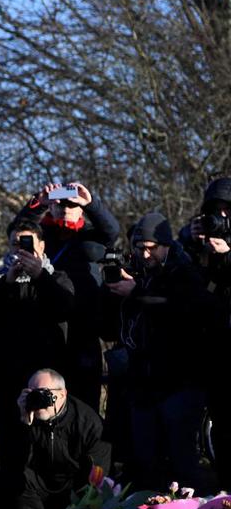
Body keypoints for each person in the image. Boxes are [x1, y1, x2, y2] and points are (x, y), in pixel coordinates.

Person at [100, 213, 214, 491]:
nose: (146, 253)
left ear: (166, 245)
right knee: (146, 461)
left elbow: (184, 309)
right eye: (140, 248)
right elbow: (109, 328)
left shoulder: (182, 271)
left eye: (152, 247)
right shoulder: (136, 273)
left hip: (180, 383)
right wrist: (113, 291)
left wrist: (136, 292)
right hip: (142, 385)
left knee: (182, 460)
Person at [0, 219, 76, 509]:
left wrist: (39, 276)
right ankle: (11, 507)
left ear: (42, 246)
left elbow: (66, 306)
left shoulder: (58, 277)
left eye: (28, 243)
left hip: (44, 381)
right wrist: (8, 280)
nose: (22, 250)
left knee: (47, 443)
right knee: (10, 444)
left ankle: (51, 506)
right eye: (16, 244)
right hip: (7, 380)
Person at [13, 181, 120, 414]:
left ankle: (83, 449)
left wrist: (91, 203)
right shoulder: (43, 237)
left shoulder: (90, 238)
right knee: (47, 400)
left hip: (84, 328)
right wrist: (38, 204)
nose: (66, 208)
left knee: (85, 402)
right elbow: (19, 230)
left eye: (72, 204)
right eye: (60, 203)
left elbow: (112, 231)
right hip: (48, 328)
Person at [181, 177, 231, 487]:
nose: (221, 218)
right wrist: (190, 245)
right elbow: (191, 294)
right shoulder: (201, 248)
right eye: (215, 211)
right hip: (214, 358)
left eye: (227, 211)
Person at [15, 369, 110, 509]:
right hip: (40, 487)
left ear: (62, 394)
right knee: (20, 478)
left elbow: (99, 472)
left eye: (43, 393)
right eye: (32, 394)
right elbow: (15, 463)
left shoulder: (87, 422)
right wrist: (24, 424)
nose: (37, 400)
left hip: (75, 487)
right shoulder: (27, 415)